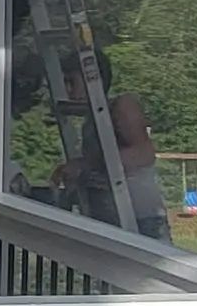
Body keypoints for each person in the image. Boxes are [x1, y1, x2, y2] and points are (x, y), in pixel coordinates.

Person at [57, 48, 171, 245]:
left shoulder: (122, 106)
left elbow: (144, 154)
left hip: (141, 221)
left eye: (72, 82)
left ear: (92, 80)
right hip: (109, 220)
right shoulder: (91, 120)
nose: (68, 90)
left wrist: (86, 165)